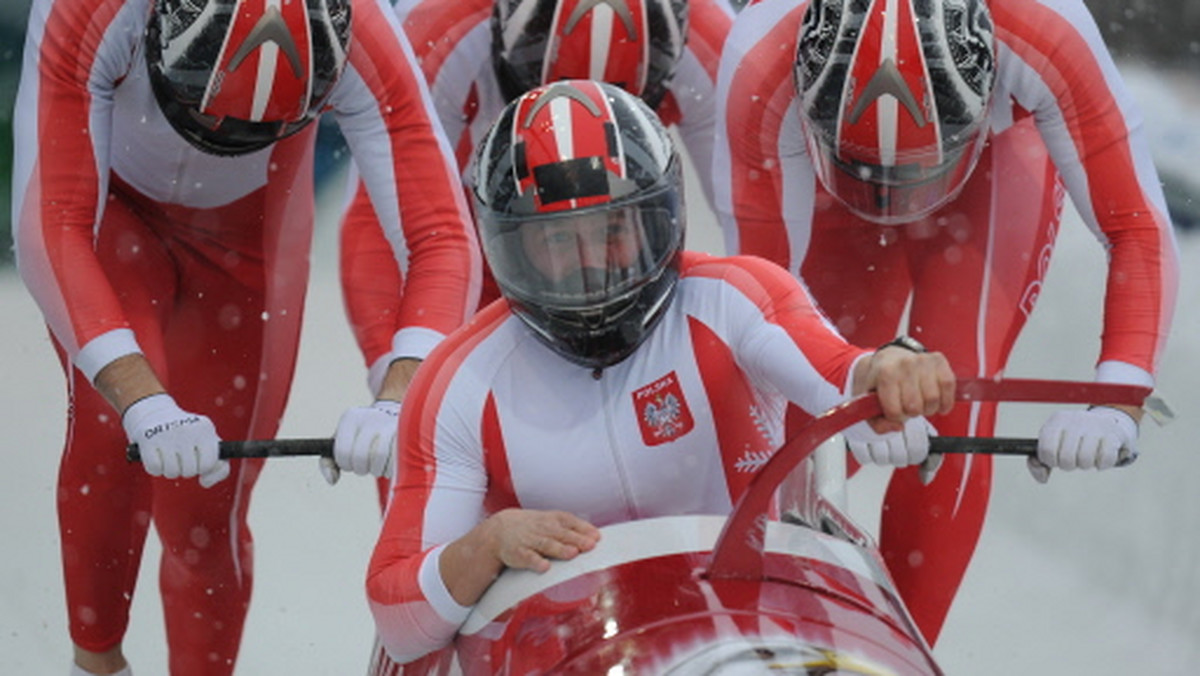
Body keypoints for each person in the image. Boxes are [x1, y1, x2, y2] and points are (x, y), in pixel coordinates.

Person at [364, 79, 957, 667]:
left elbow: (839, 372)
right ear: (510, 250)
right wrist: (486, 546)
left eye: (613, 233)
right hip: (561, 644)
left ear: (658, 221)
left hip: (748, 625)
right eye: (557, 242)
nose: (592, 267)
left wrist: (888, 373)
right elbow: (399, 621)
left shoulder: (734, 299)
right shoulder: (459, 381)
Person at [11, 0, 481, 673]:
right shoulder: (91, 11)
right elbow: (51, 222)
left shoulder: (365, 36)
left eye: (258, 126)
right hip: (109, 210)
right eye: (205, 117)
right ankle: (96, 662)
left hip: (248, 237)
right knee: (109, 432)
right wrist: (144, 402)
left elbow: (439, 235)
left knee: (206, 514)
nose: (221, 137)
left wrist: (402, 391)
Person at [711, 0, 1179, 645]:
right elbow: (756, 300)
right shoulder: (761, 61)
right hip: (834, 182)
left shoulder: (1045, 30)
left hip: (993, 164)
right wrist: (841, 386)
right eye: (877, 175)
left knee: (954, 391)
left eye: (906, 175)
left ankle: (903, 649)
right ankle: (756, 629)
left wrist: (1120, 395)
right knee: (796, 427)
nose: (892, 202)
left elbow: (1135, 225)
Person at [330, 0, 735, 491]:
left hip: (625, 254)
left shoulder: (716, 46)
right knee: (456, 474)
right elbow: (391, 227)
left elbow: (758, 244)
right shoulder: (442, 27)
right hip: (491, 253)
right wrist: (402, 387)